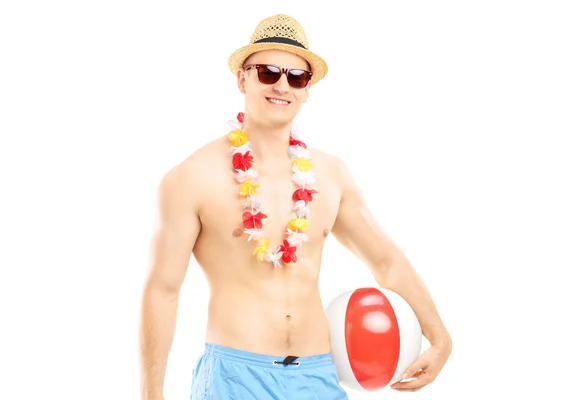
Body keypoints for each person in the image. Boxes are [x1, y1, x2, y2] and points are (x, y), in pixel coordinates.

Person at [138, 14, 452, 400]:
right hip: (235, 377)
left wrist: (439, 337)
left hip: (317, 375)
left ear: (306, 91)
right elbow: (163, 290)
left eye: (296, 77)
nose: (282, 86)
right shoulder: (192, 178)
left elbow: (385, 260)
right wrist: (150, 394)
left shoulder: (331, 175)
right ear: (243, 79)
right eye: (268, 72)